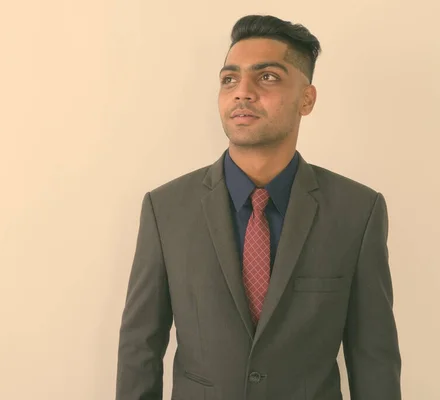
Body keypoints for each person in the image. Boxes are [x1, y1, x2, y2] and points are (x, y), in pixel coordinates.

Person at [115, 14, 401, 400]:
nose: (242, 91)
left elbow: (374, 359)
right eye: (229, 79)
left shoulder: (357, 212)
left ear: (307, 99)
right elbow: (140, 350)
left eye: (267, 77)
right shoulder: (165, 210)